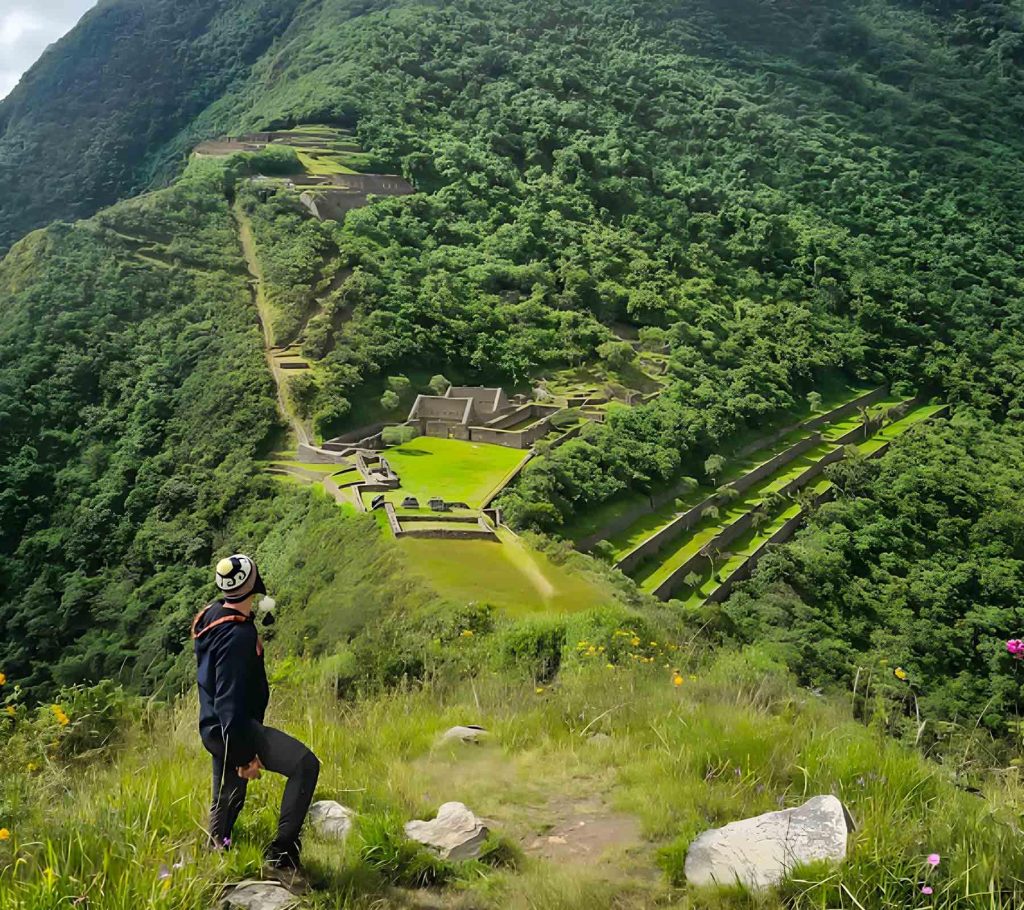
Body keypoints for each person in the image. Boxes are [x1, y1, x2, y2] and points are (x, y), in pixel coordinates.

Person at [192, 554, 320, 883]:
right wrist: (244, 756)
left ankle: (214, 858)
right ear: (252, 585)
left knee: (229, 797)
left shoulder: (214, 616)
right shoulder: (237, 637)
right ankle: (281, 855)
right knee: (305, 765)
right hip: (234, 728)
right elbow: (230, 701)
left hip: (215, 728)